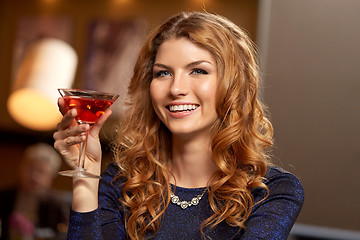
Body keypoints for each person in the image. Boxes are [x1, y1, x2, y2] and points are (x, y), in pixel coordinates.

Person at [53, 11, 304, 239]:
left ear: (234, 85)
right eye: (163, 73)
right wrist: (85, 176)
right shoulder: (120, 182)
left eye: (198, 71)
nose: (175, 89)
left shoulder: (273, 192)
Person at [0, 143, 69, 240]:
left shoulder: (57, 203)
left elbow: (64, 234)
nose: (34, 177)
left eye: (41, 172)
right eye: (30, 169)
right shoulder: (4, 196)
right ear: (21, 168)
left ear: (51, 176)